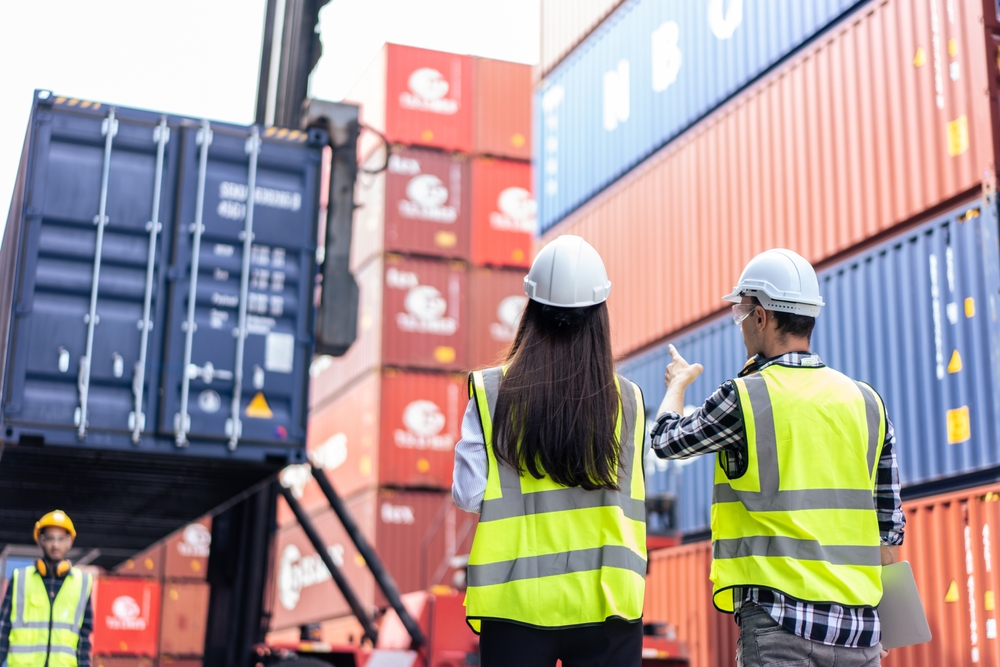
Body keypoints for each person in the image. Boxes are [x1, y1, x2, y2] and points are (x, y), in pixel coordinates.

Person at [651, 248, 905, 667]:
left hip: (781, 628)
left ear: (762, 316)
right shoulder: (867, 402)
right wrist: (886, 625)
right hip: (860, 633)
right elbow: (889, 534)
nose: (741, 326)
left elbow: (665, 440)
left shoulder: (746, 397)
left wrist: (677, 384)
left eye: (741, 314)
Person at [453, 235, 648, 667]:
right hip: (607, 602)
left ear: (531, 310)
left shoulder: (491, 393)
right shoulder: (629, 400)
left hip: (514, 602)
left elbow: (468, 494)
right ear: (600, 316)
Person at [0, 510, 94, 667]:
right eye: (50, 538)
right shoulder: (20, 579)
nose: (55, 545)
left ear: (69, 542)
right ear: (40, 540)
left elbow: (84, 638)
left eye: (61, 539)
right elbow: (3, 629)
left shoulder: (82, 583)